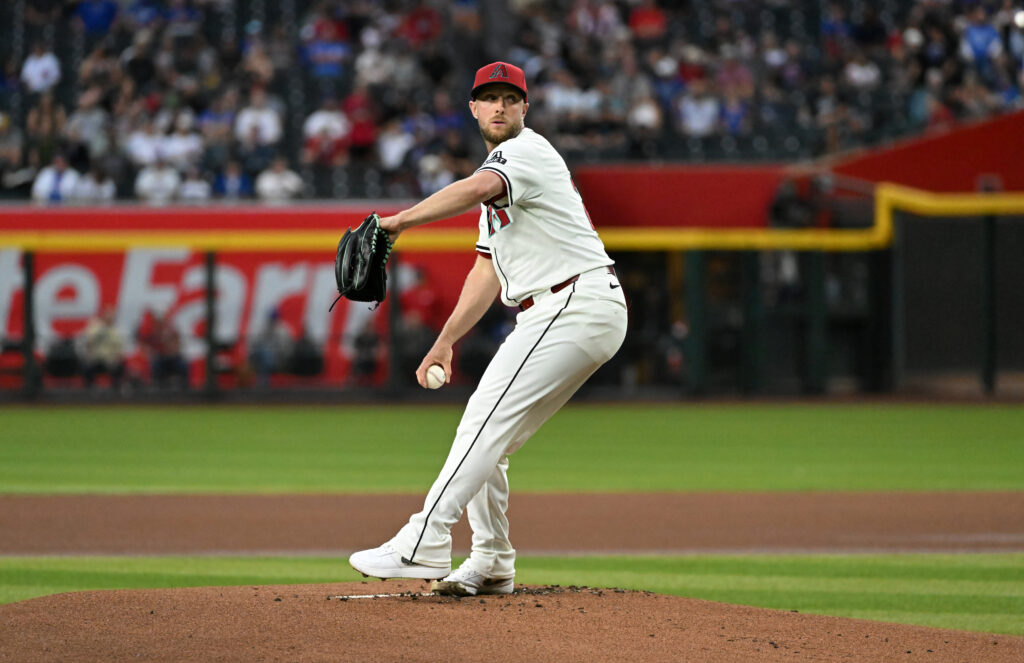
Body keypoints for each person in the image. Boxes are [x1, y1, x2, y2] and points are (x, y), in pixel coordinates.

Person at [348, 62, 628, 596]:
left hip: (573, 301)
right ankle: (493, 559)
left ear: (526, 108)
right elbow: (484, 270)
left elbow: (477, 186)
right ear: (473, 108)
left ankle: (423, 539)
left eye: (510, 98)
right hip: (568, 307)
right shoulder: (501, 181)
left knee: (482, 420)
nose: (499, 107)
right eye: (489, 98)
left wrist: (398, 221)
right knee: (487, 436)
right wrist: (445, 341)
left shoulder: (524, 153)